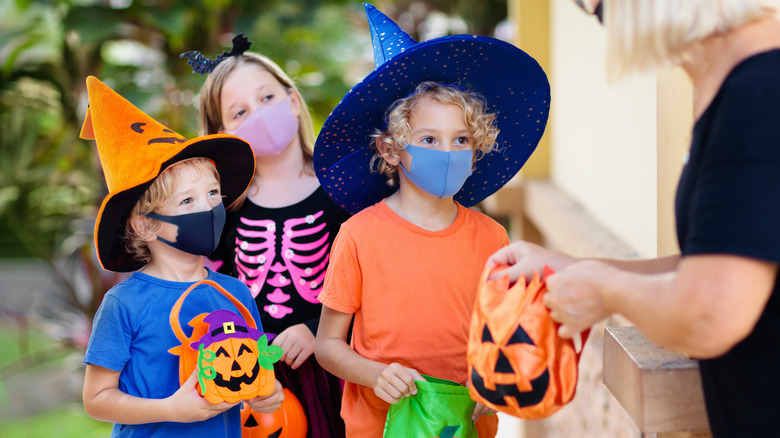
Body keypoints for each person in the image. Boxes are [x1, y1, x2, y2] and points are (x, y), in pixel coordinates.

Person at [488, 1, 780, 436]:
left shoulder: (758, 94)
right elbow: (710, 263)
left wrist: (607, 293)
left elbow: (710, 314)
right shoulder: (744, 82)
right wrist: (570, 268)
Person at [313, 4, 550, 437]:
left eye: (461, 139)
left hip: (463, 425)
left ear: (477, 149)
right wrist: (372, 374)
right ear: (390, 149)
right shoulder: (359, 236)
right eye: (428, 139)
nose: (446, 153)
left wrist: (494, 379)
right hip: (377, 424)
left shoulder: (491, 237)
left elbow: (509, 330)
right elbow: (327, 345)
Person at [79, 76, 284, 437]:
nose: (207, 208)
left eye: (212, 194)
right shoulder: (123, 304)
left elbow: (251, 369)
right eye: (187, 201)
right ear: (145, 226)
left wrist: (266, 394)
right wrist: (171, 409)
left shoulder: (237, 294)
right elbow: (96, 398)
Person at [182, 34, 349, 437]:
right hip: (250, 378)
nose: (257, 114)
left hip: (334, 372)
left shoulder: (343, 190)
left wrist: (317, 330)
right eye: (239, 112)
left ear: (292, 100)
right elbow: (210, 291)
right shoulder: (222, 209)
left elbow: (367, 281)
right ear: (221, 132)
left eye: (267, 98)